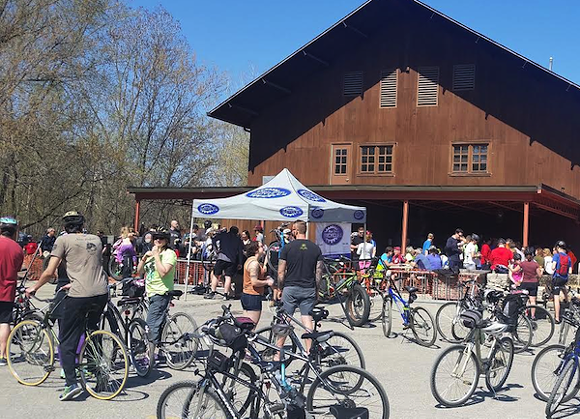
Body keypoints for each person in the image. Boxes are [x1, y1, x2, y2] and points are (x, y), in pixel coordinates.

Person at [26, 211, 108, 401]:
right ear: (82, 224)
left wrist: (35, 287)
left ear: (64, 227)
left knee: (66, 339)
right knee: (91, 331)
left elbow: (49, 271)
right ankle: (99, 375)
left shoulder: (63, 241)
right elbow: (91, 266)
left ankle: (71, 383)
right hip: (101, 292)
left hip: (80, 294)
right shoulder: (96, 239)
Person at [277, 220, 323, 353]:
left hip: (290, 287)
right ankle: (309, 352)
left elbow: (281, 271)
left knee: (285, 319)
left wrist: (280, 288)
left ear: (295, 231)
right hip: (308, 288)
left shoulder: (287, 248)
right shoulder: (315, 248)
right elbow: (318, 272)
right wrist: (317, 289)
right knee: (307, 319)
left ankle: (277, 351)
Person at [136, 229, 177, 358]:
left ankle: (150, 354)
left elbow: (163, 272)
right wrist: (144, 259)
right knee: (157, 323)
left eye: (161, 238)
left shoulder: (169, 254)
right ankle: (157, 348)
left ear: (166, 241)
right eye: (156, 238)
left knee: (151, 325)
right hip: (150, 292)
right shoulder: (151, 253)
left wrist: (156, 256)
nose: (158, 240)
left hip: (161, 292)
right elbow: (139, 271)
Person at [0, 217, 24, 366]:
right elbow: (18, 269)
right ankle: (2, 355)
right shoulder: (17, 249)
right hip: (7, 290)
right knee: (4, 322)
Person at [206, 226, 244, 300]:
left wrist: (216, 250)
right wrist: (240, 262)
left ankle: (213, 292)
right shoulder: (238, 240)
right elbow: (240, 252)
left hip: (221, 257)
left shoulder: (224, 235)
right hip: (231, 260)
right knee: (228, 277)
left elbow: (213, 239)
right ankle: (225, 294)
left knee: (216, 275)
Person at [241, 241, 274, 327]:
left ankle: (244, 340)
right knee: (251, 326)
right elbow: (254, 282)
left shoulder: (251, 261)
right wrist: (267, 282)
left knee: (246, 325)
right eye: (261, 246)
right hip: (253, 296)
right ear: (256, 250)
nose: (263, 247)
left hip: (247, 295)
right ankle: (247, 340)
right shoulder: (254, 264)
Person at [551, 241, 572, 324]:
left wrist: (555, 268)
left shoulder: (556, 256)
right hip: (565, 278)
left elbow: (553, 267)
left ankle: (557, 318)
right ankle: (567, 300)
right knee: (563, 287)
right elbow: (570, 271)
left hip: (557, 278)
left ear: (557, 248)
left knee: (556, 298)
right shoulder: (568, 258)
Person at [519, 248, 542, 319]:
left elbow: (515, 270)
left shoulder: (522, 264)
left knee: (524, 300)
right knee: (532, 301)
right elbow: (539, 275)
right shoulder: (535, 264)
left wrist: (510, 268)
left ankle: (524, 314)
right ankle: (532, 315)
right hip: (533, 283)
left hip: (525, 282)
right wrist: (542, 271)